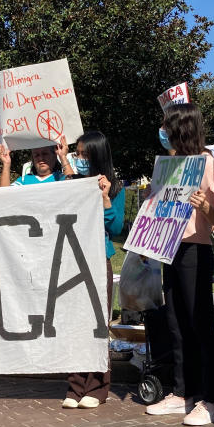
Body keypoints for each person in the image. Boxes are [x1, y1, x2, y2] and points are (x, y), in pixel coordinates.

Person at [144, 103, 214, 426]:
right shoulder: (169, 165)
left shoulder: (206, 163)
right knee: (175, 322)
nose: (162, 131)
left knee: (199, 323)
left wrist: (205, 206)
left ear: (181, 128)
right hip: (168, 246)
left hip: (195, 248)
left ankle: (213, 399)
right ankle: (183, 392)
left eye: (167, 125)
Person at [62, 131, 125, 409]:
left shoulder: (116, 187)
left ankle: (98, 387)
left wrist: (105, 199)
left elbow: (115, 228)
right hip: (73, 259)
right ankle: (76, 385)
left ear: (97, 154)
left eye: (84, 154)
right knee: (74, 325)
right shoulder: (72, 184)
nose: (80, 159)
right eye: (77, 153)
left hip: (99, 259)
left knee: (98, 324)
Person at [0, 136, 75, 185]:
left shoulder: (60, 177)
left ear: (54, 156)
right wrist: (6, 164)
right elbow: (5, 194)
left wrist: (63, 156)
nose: (40, 158)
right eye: (36, 155)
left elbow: (74, 186)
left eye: (45, 153)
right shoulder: (24, 180)